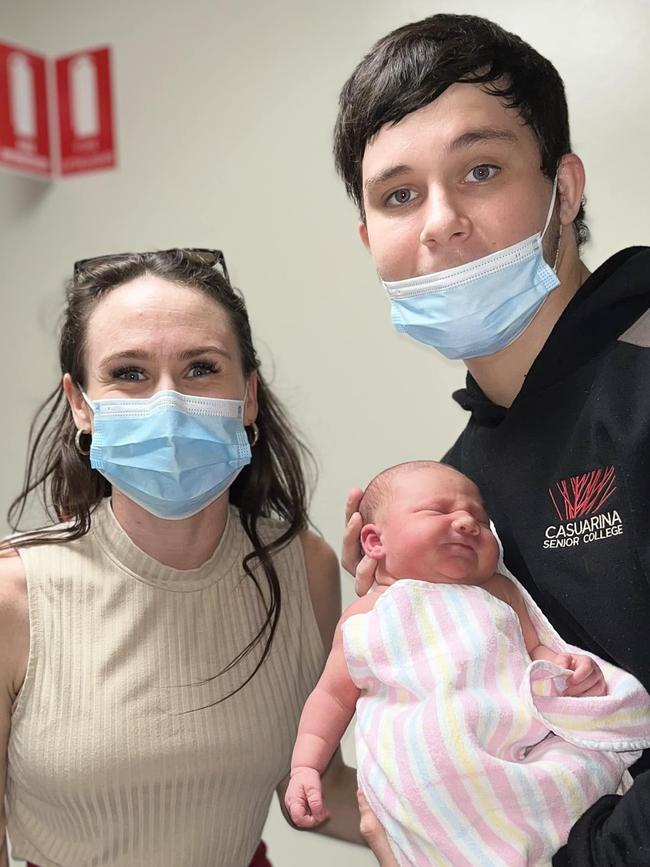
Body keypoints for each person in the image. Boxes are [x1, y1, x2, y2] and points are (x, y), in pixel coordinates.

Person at [333, 13, 650, 866]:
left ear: (566, 187)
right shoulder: (460, 483)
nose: (439, 222)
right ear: (371, 242)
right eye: (398, 195)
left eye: (480, 170)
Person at [0, 249, 363, 867]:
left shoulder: (302, 565)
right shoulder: (13, 594)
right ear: (80, 403)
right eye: (130, 373)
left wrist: (502, 818)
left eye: (201, 368)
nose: (167, 404)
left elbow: (318, 788)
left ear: (247, 395)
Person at [286, 460, 650, 866]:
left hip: (516, 749)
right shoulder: (366, 617)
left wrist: (568, 671)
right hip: (432, 776)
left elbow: (539, 651)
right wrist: (305, 766)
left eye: (480, 517)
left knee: (578, 773)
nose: (466, 522)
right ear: (373, 542)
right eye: (438, 511)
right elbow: (333, 698)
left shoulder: (499, 591)